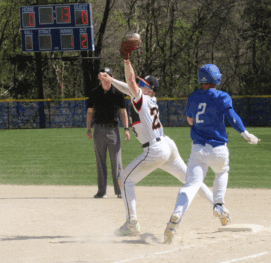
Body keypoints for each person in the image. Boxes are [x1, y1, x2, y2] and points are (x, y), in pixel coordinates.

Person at [100, 59, 217, 236]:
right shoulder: (149, 99)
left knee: (125, 180)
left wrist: (126, 61)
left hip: (155, 149)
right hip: (167, 145)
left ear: (149, 89)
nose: (139, 85)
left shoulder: (143, 99)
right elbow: (128, 87)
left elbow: (130, 83)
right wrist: (112, 80)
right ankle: (219, 206)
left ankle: (132, 223)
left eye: (143, 84)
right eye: (140, 83)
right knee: (191, 179)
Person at [163, 64, 260, 244]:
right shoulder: (222, 96)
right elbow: (232, 117)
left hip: (198, 149)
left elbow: (190, 120)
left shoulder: (193, 97)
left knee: (190, 185)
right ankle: (218, 205)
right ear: (217, 79)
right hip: (217, 148)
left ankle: (176, 215)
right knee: (221, 172)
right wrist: (245, 134)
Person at [86, 67, 130, 199]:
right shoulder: (95, 92)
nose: (106, 79)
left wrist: (126, 129)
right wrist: (88, 128)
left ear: (111, 77)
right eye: (104, 76)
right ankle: (101, 191)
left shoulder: (118, 92)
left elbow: (123, 112)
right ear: (100, 78)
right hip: (98, 129)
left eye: (108, 76)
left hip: (113, 130)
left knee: (116, 162)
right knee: (100, 161)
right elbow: (89, 111)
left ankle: (119, 191)